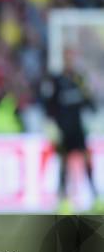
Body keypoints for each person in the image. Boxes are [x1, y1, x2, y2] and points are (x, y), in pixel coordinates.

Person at [41, 50, 102, 214]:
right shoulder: (56, 81)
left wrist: (92, 104)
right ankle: (63, 201)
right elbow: (49, 105)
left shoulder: (79, 80)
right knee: (63, 165)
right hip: (63, 130)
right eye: (68, 57)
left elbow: (89, 103)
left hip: (78, 129)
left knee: (88, 163)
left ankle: (95, 197)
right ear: (63, 60)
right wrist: (51, 125)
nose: (71, 60)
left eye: (73, 57)